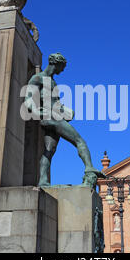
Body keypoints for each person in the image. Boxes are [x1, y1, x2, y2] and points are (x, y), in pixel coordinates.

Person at [24, 53, 105, 188]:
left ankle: (43, 181)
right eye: (62, 66)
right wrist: (39, 112)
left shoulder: (52, 81)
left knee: (49, 150)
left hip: (54, 116)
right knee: (79, 140)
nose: (63, 70)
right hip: (51, 117)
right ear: (56, 63)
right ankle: (89, 168)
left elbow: (53, 102)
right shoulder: (38, 78)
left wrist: (65, 111)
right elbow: (28, 100)